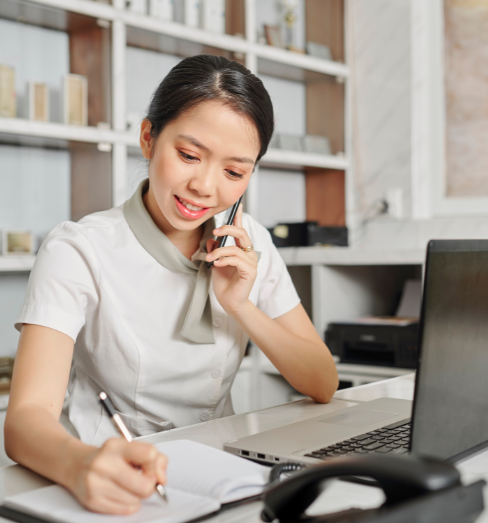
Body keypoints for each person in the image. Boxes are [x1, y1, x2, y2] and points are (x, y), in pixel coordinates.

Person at [5, 55, 338, 515]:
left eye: (234, 172)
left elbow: (322, 381)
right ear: (148, 138)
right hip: (110, 477)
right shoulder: (78, 248)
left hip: (220, 477)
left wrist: (242, 305)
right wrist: (82, 466)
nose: (204, 186)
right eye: (188, 155)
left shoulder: (250, 243)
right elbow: (24, 420)